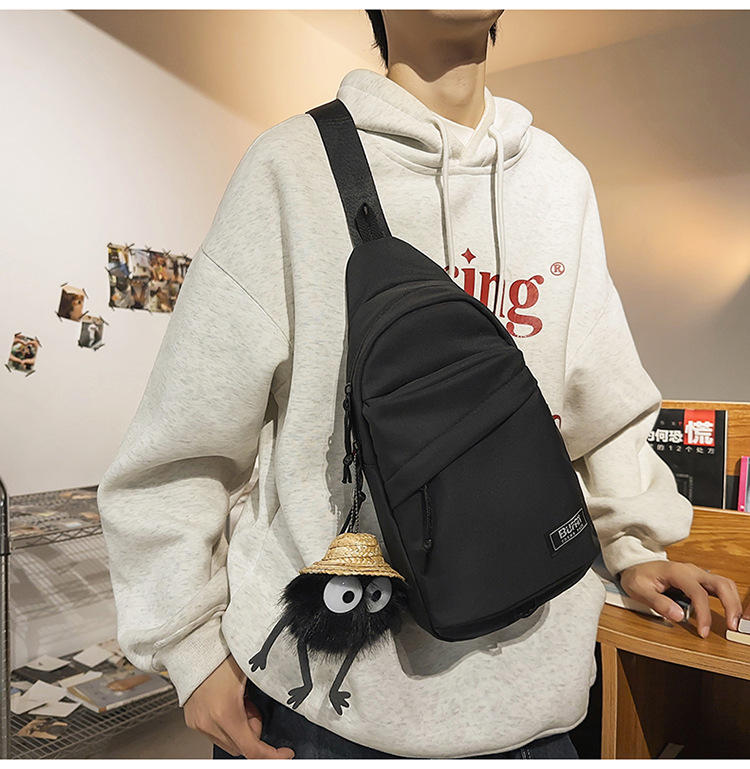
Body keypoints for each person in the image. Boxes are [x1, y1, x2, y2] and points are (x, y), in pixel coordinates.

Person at [97, 10, 745, 760]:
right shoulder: (291, 168)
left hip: (535, 701)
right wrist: (190, 646)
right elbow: (182, 444)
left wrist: (634, 544)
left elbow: (602, 406)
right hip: (324, 704)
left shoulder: (559, 183)